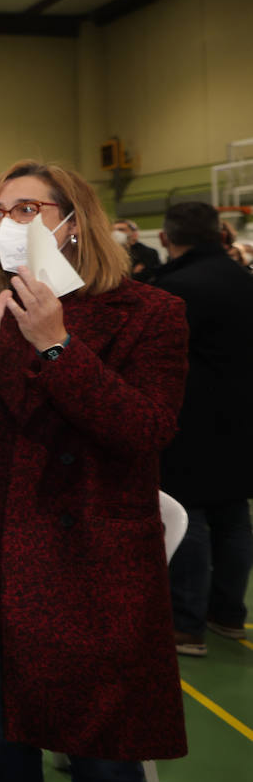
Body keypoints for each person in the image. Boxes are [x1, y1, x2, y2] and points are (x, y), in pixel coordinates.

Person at [0, 160, 188, 782]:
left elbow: (144, 428)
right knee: (0, 742)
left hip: (90, 569)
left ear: (73, 220)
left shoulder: (151, 313)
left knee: (104, 760)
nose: (9, 226)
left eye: (28, 209)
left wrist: (59, 347)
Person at [147, 201, 253, 656]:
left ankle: (187, 624)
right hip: (243, 419)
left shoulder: (174, 289)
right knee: (233, 517)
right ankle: (228, 614)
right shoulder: (244, 281)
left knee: (188, 517)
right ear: (220, 233)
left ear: (167, 238)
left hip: (191, 420)